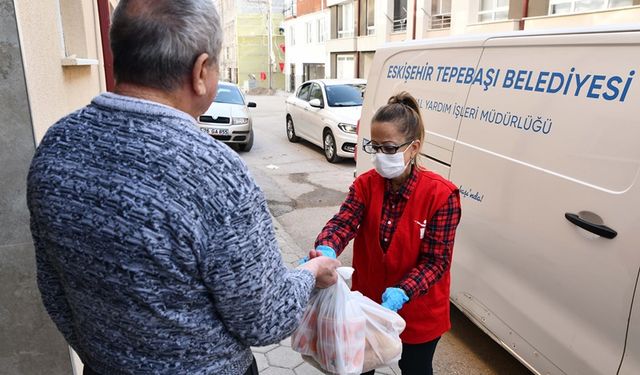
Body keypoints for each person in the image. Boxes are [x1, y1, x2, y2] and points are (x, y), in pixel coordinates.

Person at [26, 1, 339, 374]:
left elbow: (54, 289)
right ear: (201, 71)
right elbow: (264, 319)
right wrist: (309, 274)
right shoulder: (215, 173)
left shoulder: (58, 144)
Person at [310, 92, 462, 375]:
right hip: (367, 307)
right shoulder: (366, 185)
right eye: (375, 147)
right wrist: (326, 249)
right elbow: (343, 223)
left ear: (414, 147)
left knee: (416, 369)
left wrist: (404, 291)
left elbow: (437, 261)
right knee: (358, 366)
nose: (381, 156)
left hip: (418, 313)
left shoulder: (441, 195)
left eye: (390, 148)